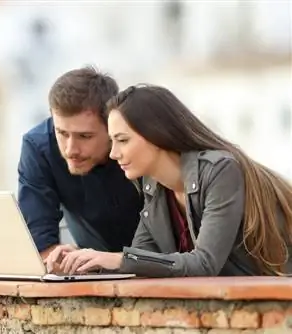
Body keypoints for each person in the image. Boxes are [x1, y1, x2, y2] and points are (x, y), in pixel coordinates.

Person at [54, 84, 292, 277]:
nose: (114, 153)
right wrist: (84, 260)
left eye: (123, 140)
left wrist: (118, 259)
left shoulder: (219, 170)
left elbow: (204, 264)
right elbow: (140, 263)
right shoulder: (154, 189)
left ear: (156, 135)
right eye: (112, 141)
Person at [17, 67, 143, 267]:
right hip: (91, 271)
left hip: (160, 267)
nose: (70, 149)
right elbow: (39, 244)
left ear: (112, 124)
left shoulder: (140, 140)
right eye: (62, 133)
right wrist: (65, 261)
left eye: (85, 136)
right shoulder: (38, 147)